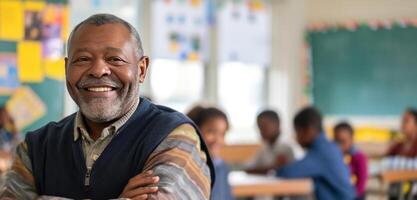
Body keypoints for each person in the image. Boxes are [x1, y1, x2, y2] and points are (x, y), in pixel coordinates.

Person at [0, 14, 214, 200]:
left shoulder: (174, 136)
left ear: (141, 69)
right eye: (83, 59)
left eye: (115, 59)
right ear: (67, 68)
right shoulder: (38, 146)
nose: (98, 70)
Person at [276, 107, 354, 200]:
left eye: (297, 132)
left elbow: (286, 173)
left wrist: (281, 166)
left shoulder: (322, 152)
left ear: (309, 129)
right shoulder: (328, 147)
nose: (296, 137)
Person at [187, 106, 234, 200]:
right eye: (211, 132)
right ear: (195, 130)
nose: (218, 140)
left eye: (223, 134)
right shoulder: (187, 164)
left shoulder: (221, 166)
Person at [244, 110, 294, 174]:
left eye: (264, 127)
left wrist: (269, 169)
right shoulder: (265, 146)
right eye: (259, 127)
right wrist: (271, 167)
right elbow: (248, 168)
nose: (261, 131)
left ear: (277, 124)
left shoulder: (288, 146)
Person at [334, 122, 368, 200]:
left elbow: (361, 184)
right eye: (337, 141)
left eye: (343, 141)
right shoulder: (334, 157)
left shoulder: (359, 157)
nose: (340, 145)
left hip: (355, 196)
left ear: (352, 139)